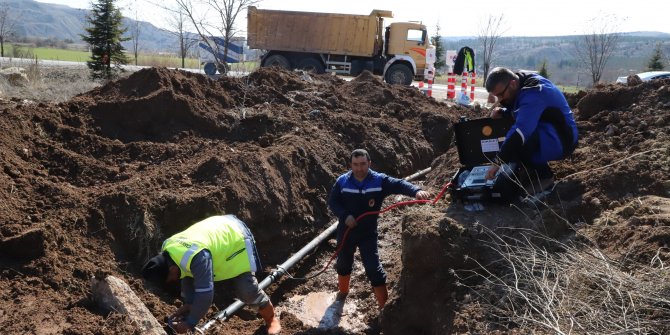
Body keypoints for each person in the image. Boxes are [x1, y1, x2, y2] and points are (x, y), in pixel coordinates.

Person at [141, 215, 281, 334]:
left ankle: (271, 319)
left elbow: (206, 294)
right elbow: (187, 276)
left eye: (169, 279)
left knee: (247, 291)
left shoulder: (197, 257)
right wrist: (190, 304)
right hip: (218, 232)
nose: (171, 282)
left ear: (171, 270)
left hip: (236, 238)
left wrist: (190, 322)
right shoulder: (169, 250)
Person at [328, 149, 431, 309]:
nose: (359, 168)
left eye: (363, 164)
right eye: (355, 165)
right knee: (342, 264)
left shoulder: (379, 180)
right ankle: (342, 293)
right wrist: (345, 215)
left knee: (373, 269)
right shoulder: (342, 182)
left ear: (369, 163)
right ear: (350, 165)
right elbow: (333, 202)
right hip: (346, 231)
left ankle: (384, 309)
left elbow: (399, 184)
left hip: (368, 233)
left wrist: (416, 191)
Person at [484, 67, 578, 193]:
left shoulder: (535, 91)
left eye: (501, 95)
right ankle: (528, 168)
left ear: (512, 84)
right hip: (548, 128)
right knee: (513, 138)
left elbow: (521, 131)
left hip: (563, 139)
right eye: (497, 97)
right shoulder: (519, 82)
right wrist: (504, 112)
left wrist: (498, 162)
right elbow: (524, 111)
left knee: (519, 140)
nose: (500, 100)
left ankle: (546, 176)